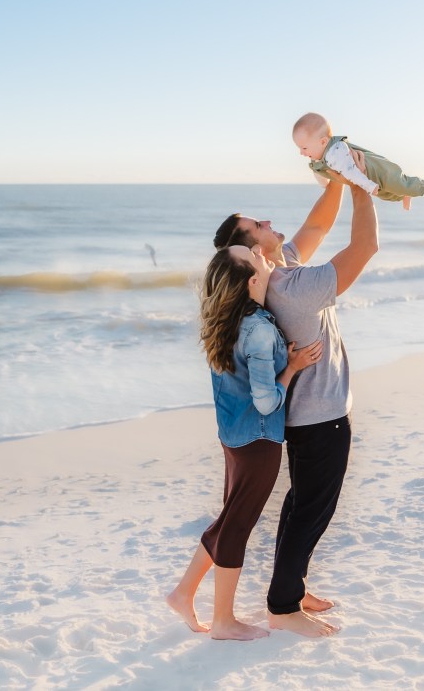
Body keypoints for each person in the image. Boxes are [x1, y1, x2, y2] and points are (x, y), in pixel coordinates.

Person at [213, 173, 379, 637]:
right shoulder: (294, 287)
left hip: (306, 417)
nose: (267, 221)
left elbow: (318, 227)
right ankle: (283, 606)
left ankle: (293, 586)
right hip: (320, 418)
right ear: (254, 251)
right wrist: (365, 188)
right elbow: (364, 248)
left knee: (299, 505)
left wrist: (337, 179)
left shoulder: (277, 272)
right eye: (257, 225)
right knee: (311, 511)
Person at [166, 245, 324, 641]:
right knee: (237, 526)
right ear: (253, 281)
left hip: (233, 438)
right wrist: (292, 367)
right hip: (257, 440)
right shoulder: (259, 330)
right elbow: (267, 401)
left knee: (230, 518)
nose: (262, 254)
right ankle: (223, 621)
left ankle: (183, 593)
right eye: (255, 258)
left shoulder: (231, 320)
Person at [293, 111, 424, 210]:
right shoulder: (318, 158)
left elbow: (353, 173)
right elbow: (320, 172)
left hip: (373, 170)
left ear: (323, 142)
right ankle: (404, 194)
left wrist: (369, 186)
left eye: (304, 148)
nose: (301, 152)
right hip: (366, 178)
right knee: (386, 193)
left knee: (393, 181)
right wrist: (324, 184)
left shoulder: (335, 152)